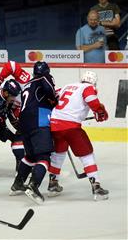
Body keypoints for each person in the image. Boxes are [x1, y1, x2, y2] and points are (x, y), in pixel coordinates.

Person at [48, 70, 109, 201]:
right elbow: (92, 100)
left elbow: (52, 98)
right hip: (71, 127)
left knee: (58, 154)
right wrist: (100, 111)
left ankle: (53, 184)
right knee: (87, 154)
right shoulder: (88, 87)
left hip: (54, 125)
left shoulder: (67, 86)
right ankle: (96, 186)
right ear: (94, 82)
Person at [10, 61, 57, 204]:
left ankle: (18, 183)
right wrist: (54, 101)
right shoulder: (44, 78)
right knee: (43, 156)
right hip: (39, 118)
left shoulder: (29, 83)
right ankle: (34, 185)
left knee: (30, 156)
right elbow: (50, 92)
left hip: (24, 121)